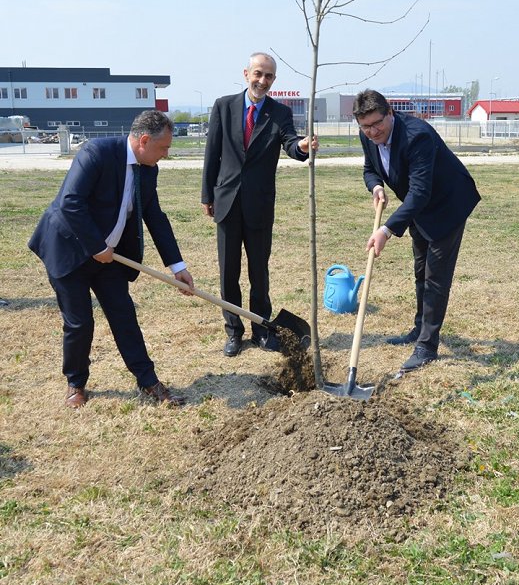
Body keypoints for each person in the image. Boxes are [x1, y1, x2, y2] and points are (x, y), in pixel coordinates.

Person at [28, 110, 194, 408]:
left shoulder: (148, 169)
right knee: (79, 323)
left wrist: (177, 266)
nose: (166, 154)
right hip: (70, 250)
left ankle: (149, 382)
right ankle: (75, 383)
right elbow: (71, 202)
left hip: (110, 257)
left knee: (124, 315)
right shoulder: (97, 153)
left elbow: (154, 216)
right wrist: (95, 245)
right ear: (144, 140)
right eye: (164, 148)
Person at [353, 89, 481, 373]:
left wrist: (386, 230)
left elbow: (420, 192)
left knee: (436, 276)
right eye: (366, 126)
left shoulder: (417, 136)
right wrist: (376, 186)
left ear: (390, 113)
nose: (372, 131)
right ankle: (419, 327)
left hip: (447, 203)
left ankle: (427, 346)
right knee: (421, 269)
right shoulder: (367, 135)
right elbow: (369, 168)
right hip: (418, 208)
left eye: (377, 124)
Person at [201, 52, 318, 356]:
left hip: (259, 206)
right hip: (227, 201)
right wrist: (207, 195)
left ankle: (262, 330)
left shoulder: (279, 113)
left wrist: (302, 146)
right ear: (246, 73)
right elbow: (212, 153)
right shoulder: (224, 106)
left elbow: (291, 143)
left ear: (273, 80)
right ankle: (234, 331)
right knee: (228, 272)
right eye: (258, 74)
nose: (262, 81)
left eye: (268, 76)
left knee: (258, 271)